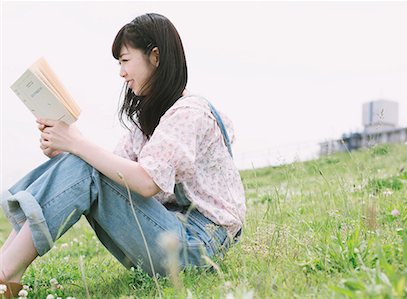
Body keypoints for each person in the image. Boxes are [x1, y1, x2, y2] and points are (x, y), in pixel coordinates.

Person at [0, 13, 246, 297]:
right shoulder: (153, 118)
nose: (121, 72)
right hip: (169, 234)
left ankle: (5, 273)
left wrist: (77, 144)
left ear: (155, 56)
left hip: (196, 248)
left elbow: (145, 183)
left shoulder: (189, 114)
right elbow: (106, 173)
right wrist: (64, 146)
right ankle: (6, 271)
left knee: (85, 162)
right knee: (83, 162)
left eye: (125, 61)